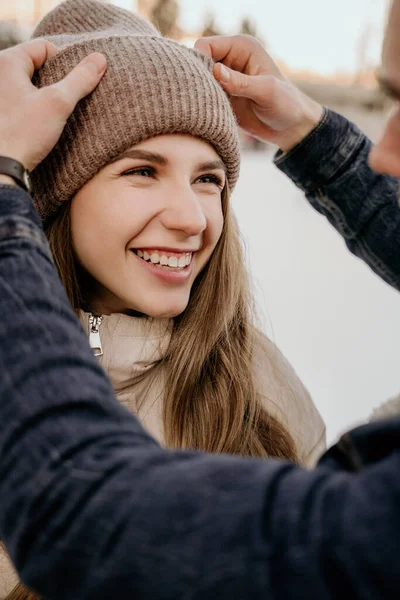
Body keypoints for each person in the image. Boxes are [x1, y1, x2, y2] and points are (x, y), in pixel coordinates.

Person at [0, 2, 399, 597]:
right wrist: (313, 136)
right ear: (54, 188)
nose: (192, 218)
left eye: (208, 178)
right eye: (141, 170)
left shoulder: (255, 385)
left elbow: (83, 510)